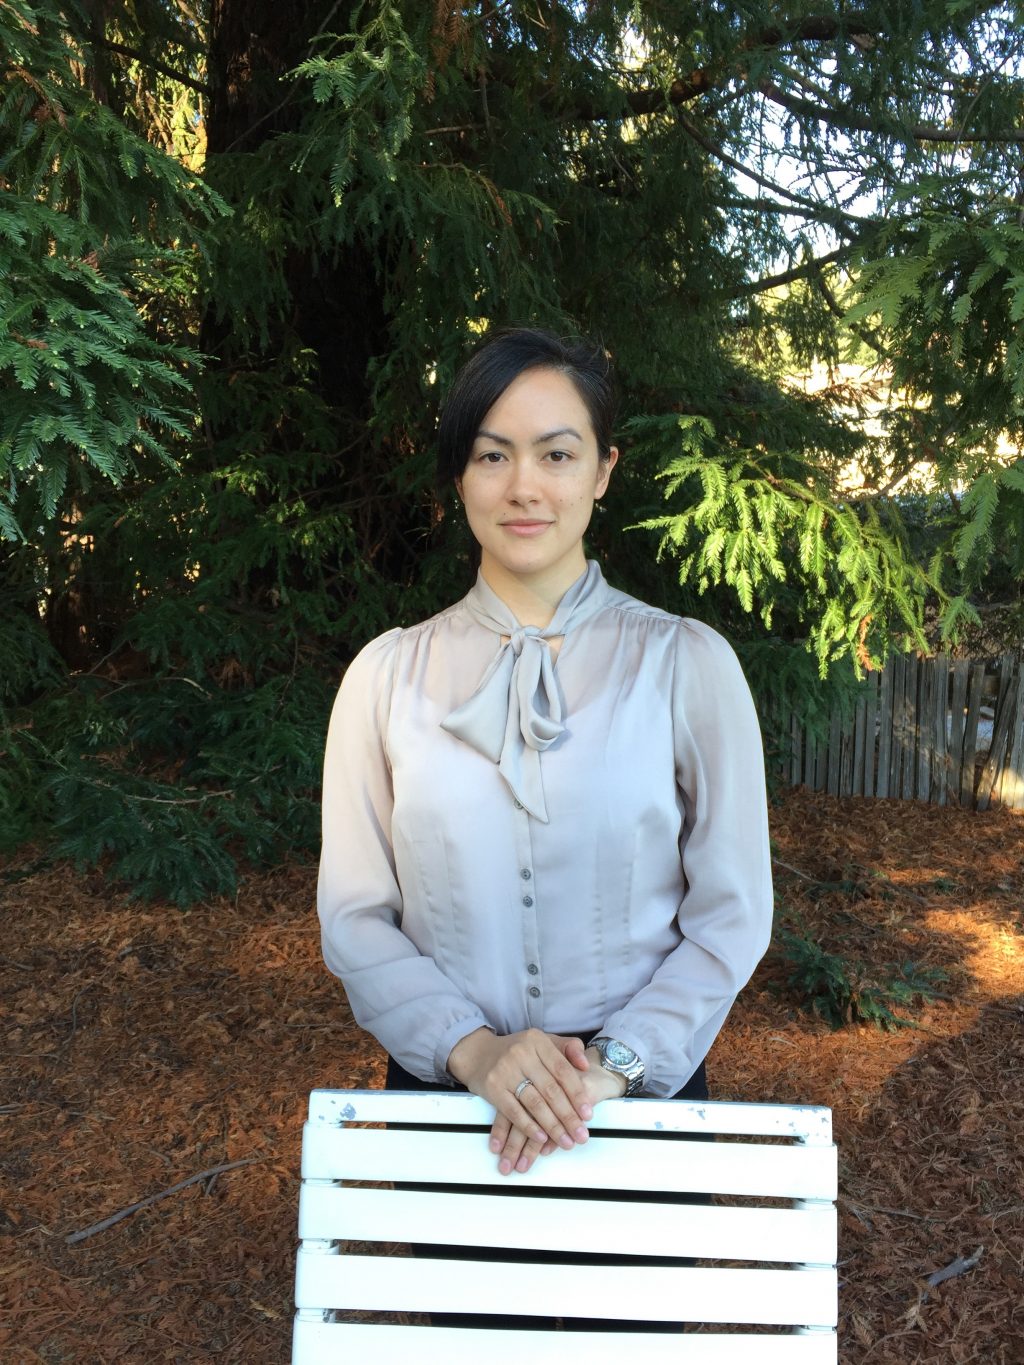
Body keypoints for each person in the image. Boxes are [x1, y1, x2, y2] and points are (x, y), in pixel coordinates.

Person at [317, 326, 773, 1180]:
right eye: (492, 455)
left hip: (636, 1109)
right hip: (448, 1113)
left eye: (557, 454)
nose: (523, 486)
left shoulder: (686, 664)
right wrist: (474, 1050)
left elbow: (732, 911)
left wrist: (614, 1065)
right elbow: (354, 917)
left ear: (602, 470)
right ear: (459, 475)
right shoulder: (385, 678)